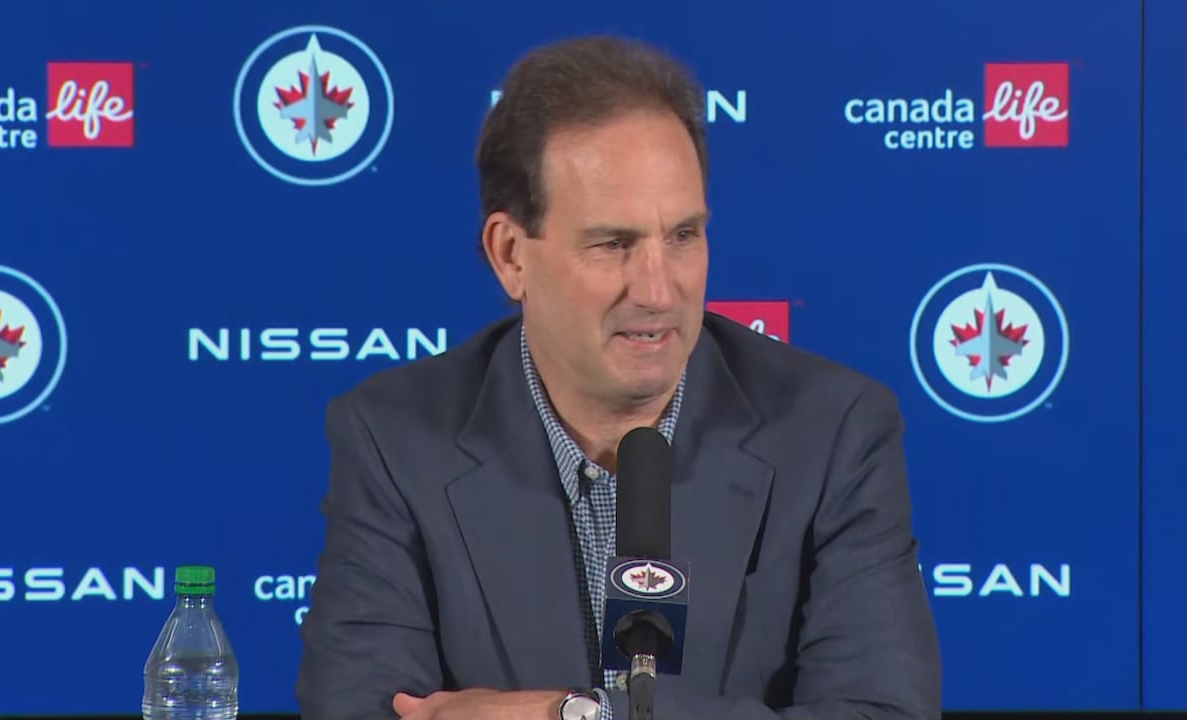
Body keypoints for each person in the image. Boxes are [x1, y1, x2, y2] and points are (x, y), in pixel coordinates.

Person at [296, 34, 942, 720]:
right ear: (511, 255)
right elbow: (359, 709)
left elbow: (883, 713)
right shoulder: (395, 440)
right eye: (613, 244)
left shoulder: (833, 432)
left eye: (683, 236)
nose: (659, 292)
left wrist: (577, 714)